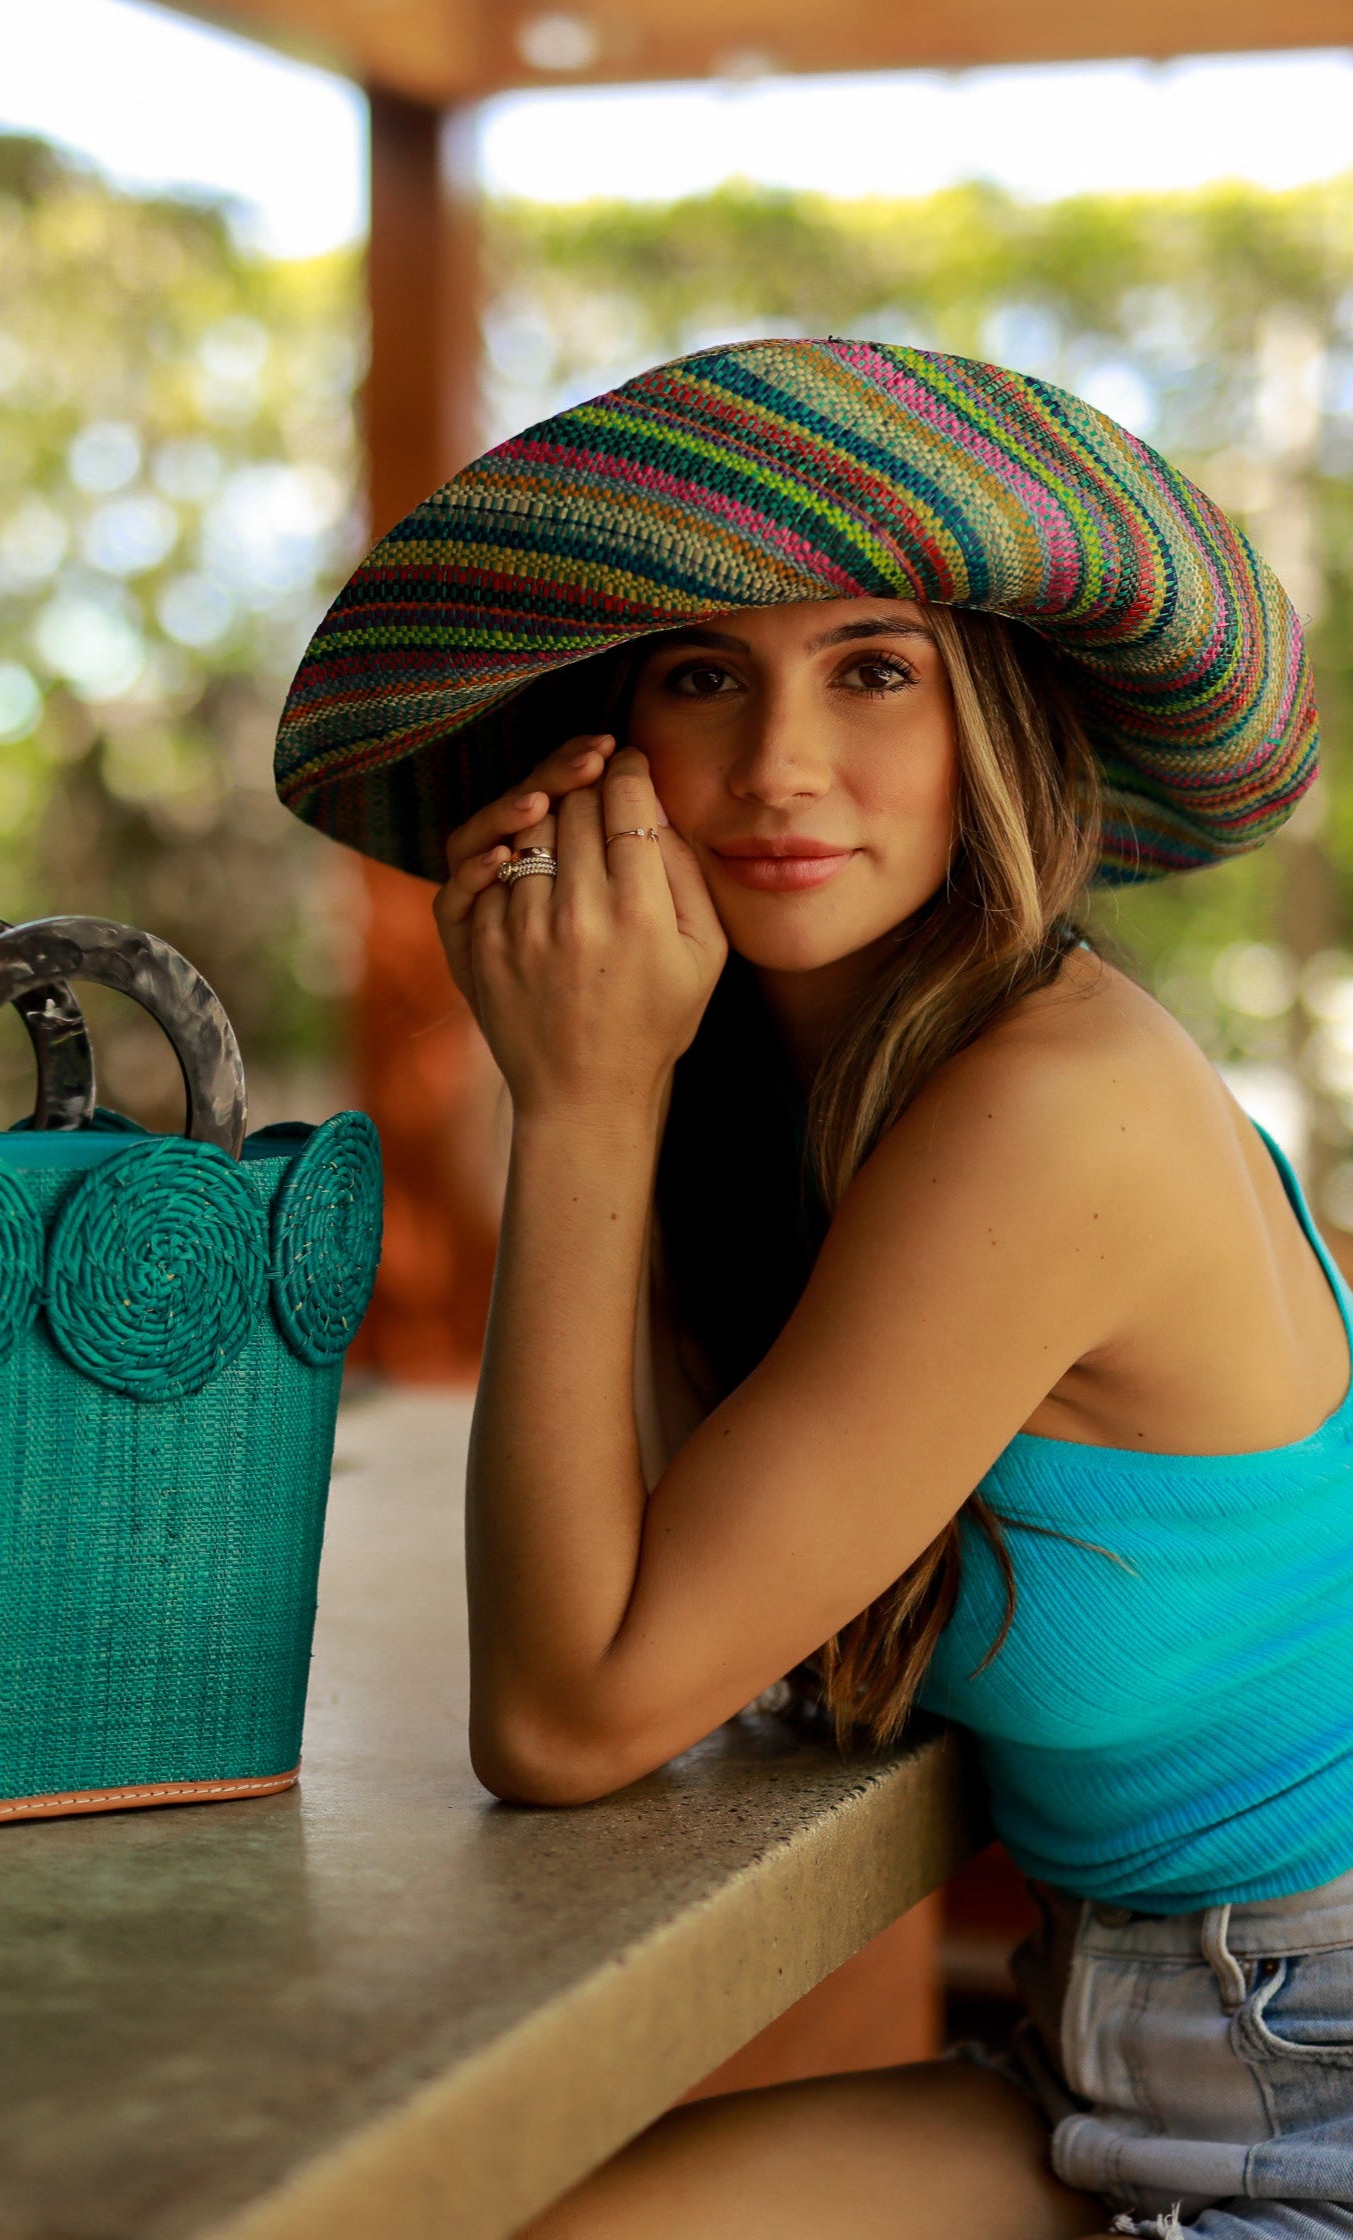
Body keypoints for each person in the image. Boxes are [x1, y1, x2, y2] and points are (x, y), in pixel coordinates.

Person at [273, 339, 1347, 2239]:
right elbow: (665, 1589)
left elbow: (571, 1718)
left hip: (1308, 2065)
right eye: (705, 677)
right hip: (1122, 2045)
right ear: (608, 749)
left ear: (994, 730)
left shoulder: (1053, 1114)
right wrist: (629, 1073)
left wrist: (584, 1107)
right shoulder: (837, 1094)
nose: (780, 767)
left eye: (873, 671)